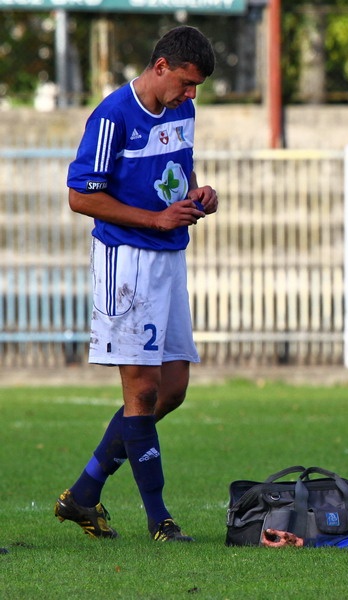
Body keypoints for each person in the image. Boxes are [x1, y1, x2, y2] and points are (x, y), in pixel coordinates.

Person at [55, 25, 218, 542]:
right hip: (125, 262)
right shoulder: (113, 116)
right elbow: (81, 197)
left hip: (169, 258)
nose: (191, 95)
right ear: (162, 66)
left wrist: (198, 195)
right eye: (187, 82)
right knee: (142, 390)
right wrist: (154, 220)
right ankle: (159, 520)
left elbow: (180, 170)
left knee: (171, 390)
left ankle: (85, 492)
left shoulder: (183, 111)